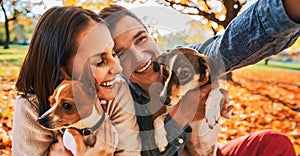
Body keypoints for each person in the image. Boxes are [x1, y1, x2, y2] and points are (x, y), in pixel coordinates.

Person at [98, 0, 299, 155]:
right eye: (121, 52)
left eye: (140, 39)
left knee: (274, 143)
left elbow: (228, 45)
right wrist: (181, 116)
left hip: (210, 151)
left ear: (152, 37)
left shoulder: (185, 59)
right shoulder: (116, 99)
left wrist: (285, 9)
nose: (138, 57)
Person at [12, 6, 141, 155]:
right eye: (99, 61)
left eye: (113, 53)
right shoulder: (30, 108)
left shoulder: (116, 90)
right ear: (61, 72)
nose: (118, 68)